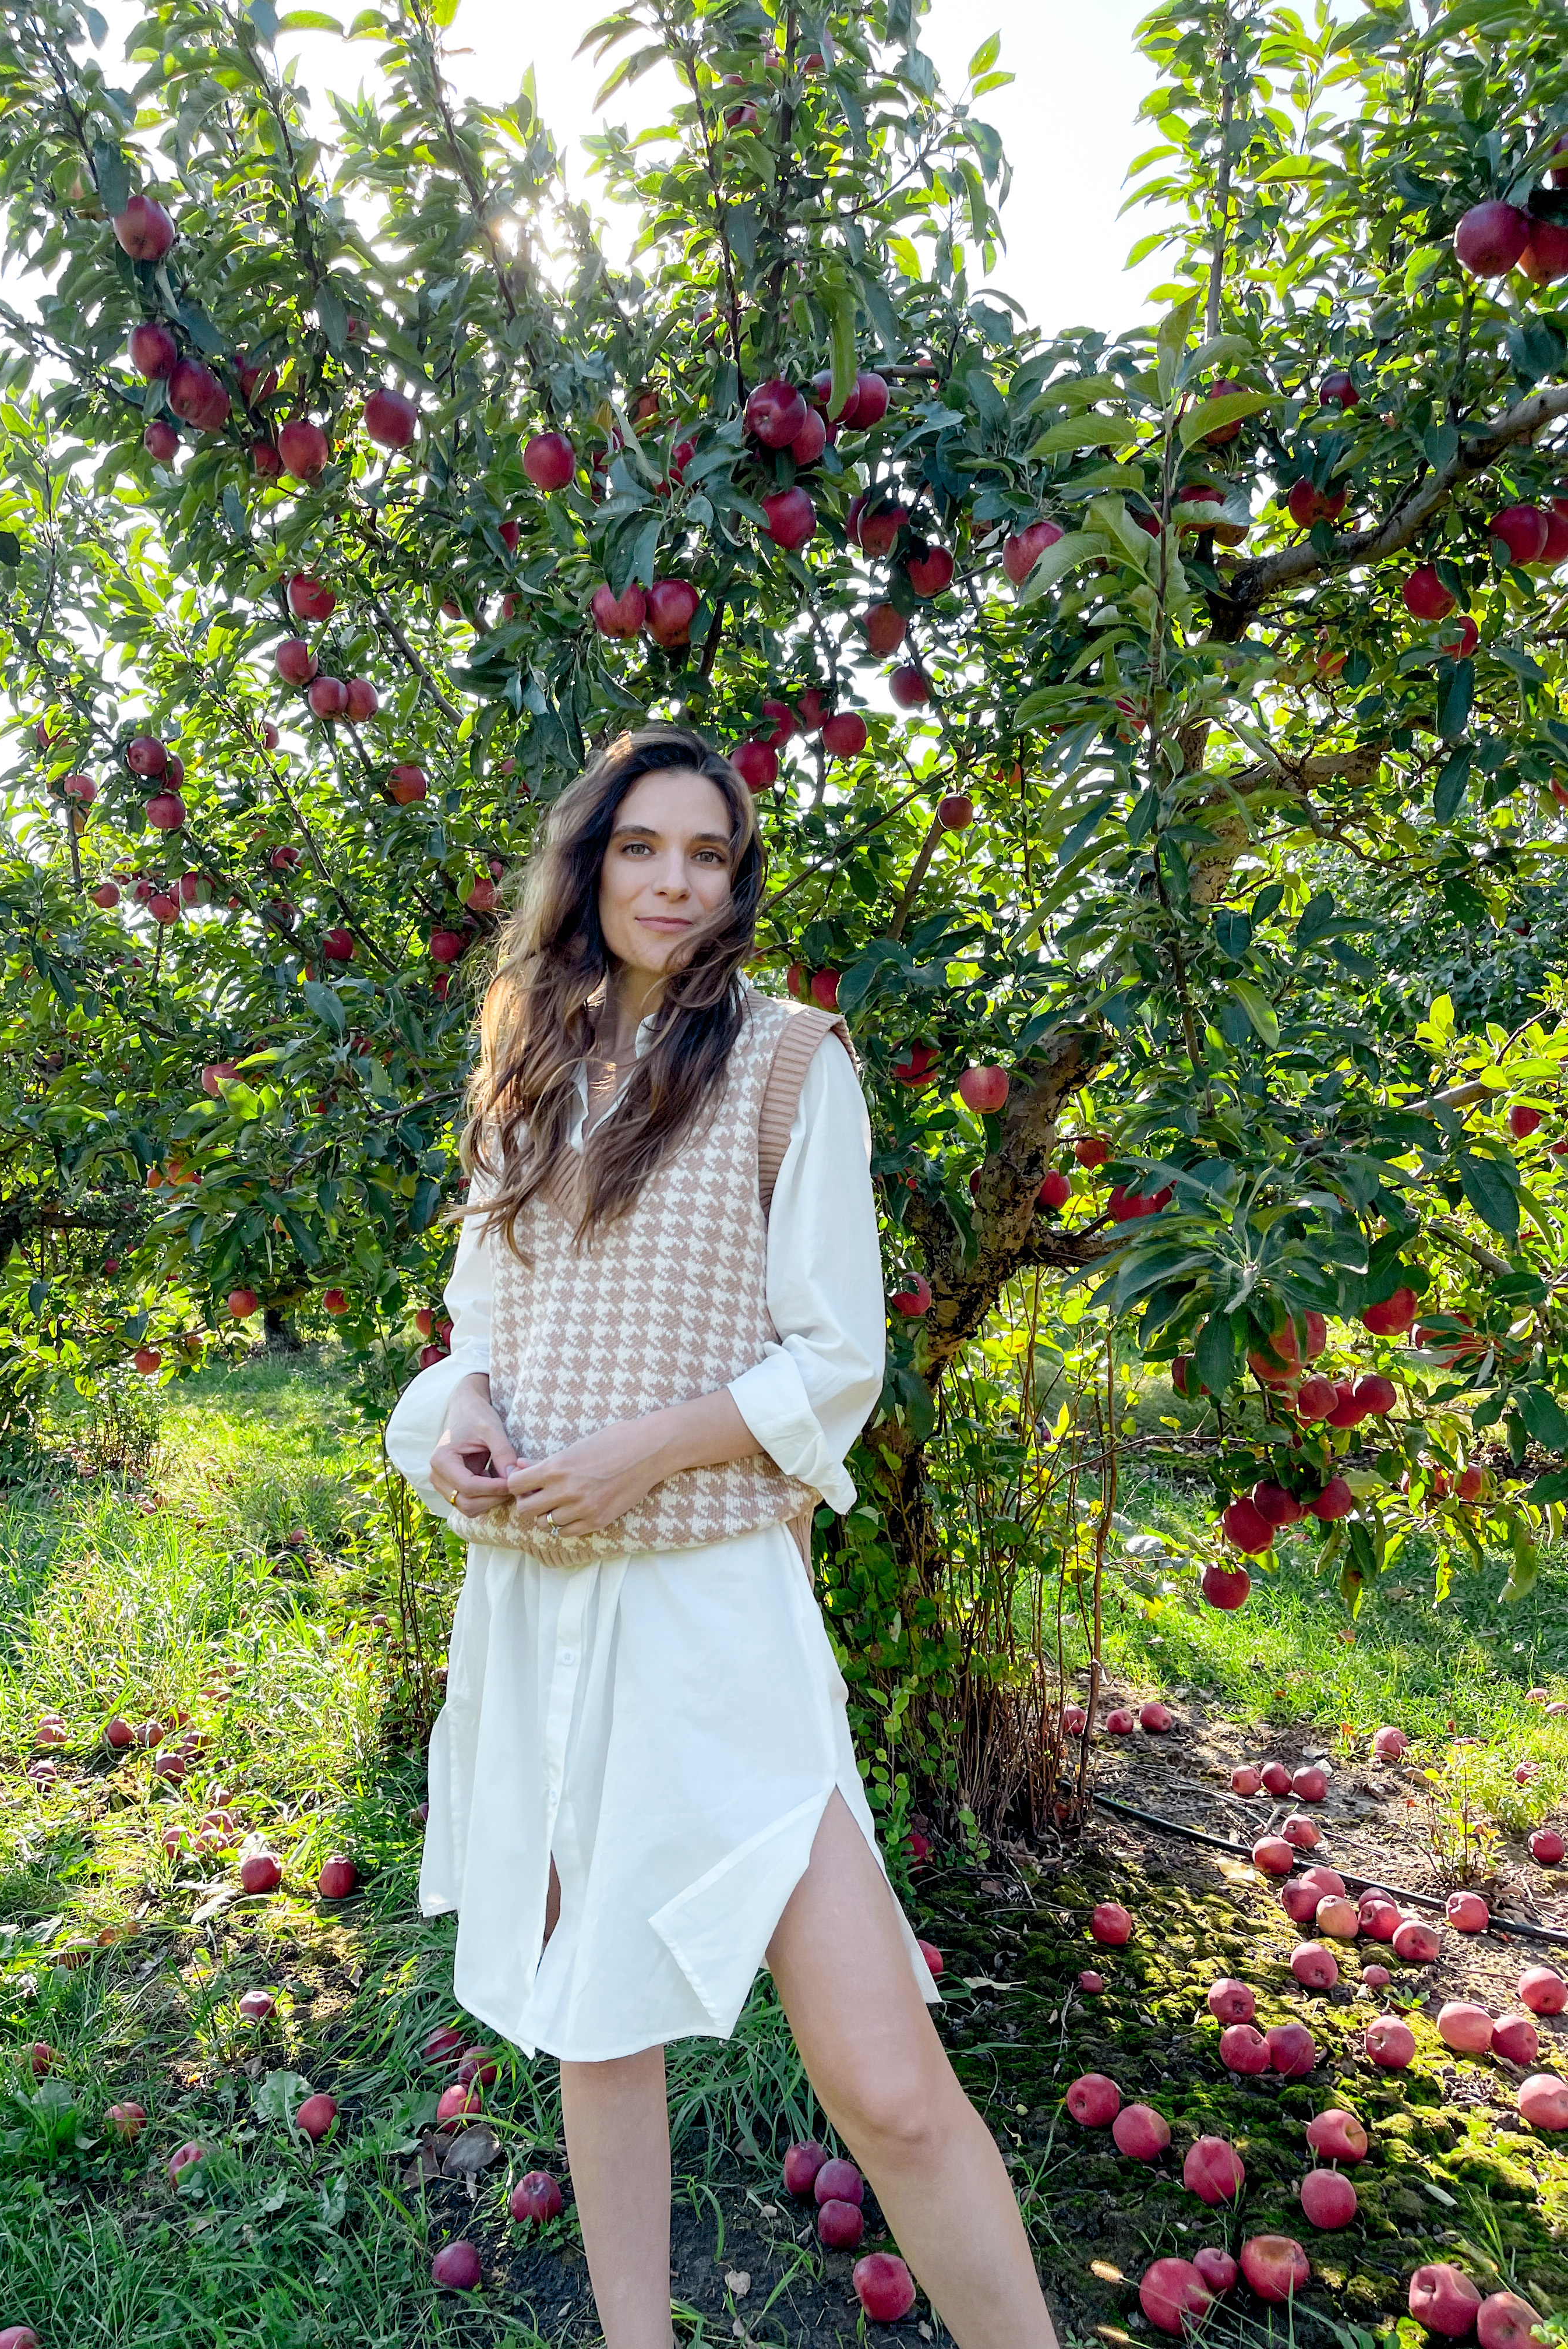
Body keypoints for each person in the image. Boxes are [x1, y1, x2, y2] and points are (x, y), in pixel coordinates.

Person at [383, 724, 1056, 2349]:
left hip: (713, 1619)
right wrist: (459, 1417)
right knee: (596, 2025)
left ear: (737, 880)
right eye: (641, 849)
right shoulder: (523, 1055)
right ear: (589, 862)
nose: (675, 882)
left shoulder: (783, 1060)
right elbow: (480, 1315)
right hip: (540, 1609)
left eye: (707, 855)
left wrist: (643, 1456)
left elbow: (838, 1357)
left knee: (888, 2084)